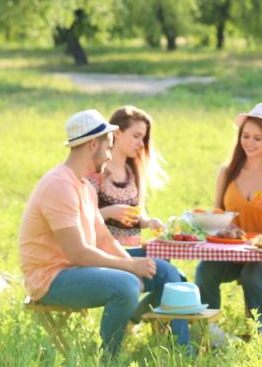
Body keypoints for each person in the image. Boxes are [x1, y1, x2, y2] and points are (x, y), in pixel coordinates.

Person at [18, 109, 156, 357]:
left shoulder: (84, 186)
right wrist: (130, 268)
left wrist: (132, 262)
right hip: (50, 279)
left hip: (74, 271)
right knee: (126, 284)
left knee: (162, 272)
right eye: (108, 147)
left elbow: (103, 238)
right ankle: (109, 359)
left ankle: (183, 347)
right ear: (93, 144)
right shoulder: (59, 185)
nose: (110, 155)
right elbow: (78, 253)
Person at [86, 105, 189, 348]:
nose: (141, 143)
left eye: (143, 138)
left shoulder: (132, 171)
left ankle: (134, 318)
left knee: (180, 280)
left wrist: (147, 221)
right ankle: (182, 348)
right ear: (117, 134)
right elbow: (81, 217)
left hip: (132, 249)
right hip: (107, 252)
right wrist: (110, 212)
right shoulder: (97, 171)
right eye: (136, 136)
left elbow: (136, 210)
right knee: (171, 276)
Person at [195, 102, 262, 336]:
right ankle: (209, 333)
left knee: (253, 273)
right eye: (246, 136)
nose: (249, 143)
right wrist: (223, 225)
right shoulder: (228, 172)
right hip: (233, 253)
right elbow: (217, 214)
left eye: (257, 138)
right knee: (205, 270)